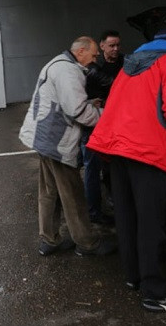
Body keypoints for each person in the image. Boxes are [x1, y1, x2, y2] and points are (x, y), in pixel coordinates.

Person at [87, 28, 166, 313]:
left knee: (127, 218)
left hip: (118, 151)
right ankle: (154, 292)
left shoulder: (130, 68)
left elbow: (115, 106)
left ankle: (134, 278)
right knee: (151, 224)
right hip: (148, 154)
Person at [19, 36, 116, 257]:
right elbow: (77, 112)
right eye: (93, 55)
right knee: (72, 194)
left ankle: (49, 240)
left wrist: (90, 103)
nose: (95, 59)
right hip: (57, 141)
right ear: (81, 51)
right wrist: (107, 114)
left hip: (43, 138)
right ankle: (87, 243)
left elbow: (62, 102)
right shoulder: (68, 71)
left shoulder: (57, 64)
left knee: (48, 192)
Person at [82, 30, 124, 224]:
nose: (115, 49)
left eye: (117, 45)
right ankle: (103, 203)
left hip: (122, 120)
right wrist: (92, 103)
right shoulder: (96, 70)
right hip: (102, 122)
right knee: (100, 165)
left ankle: (115, 197)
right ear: (102, 46)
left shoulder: (126, 64)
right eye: (111, 45)